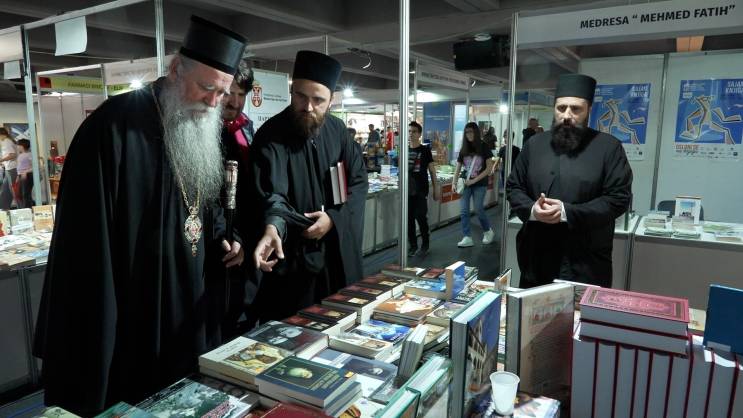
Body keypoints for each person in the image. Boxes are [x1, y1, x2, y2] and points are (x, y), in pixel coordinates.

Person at [33, 16, 247, 415]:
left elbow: (202, 207)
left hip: (187, 303)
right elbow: (86, 247)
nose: (213, 103)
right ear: (175, 69)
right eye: (206, 88)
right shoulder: (112, 128)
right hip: (134, 312)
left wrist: (224, 235)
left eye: (222, 93)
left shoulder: (201, 125)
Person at [251, 50, 368, 322]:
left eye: (318, 100)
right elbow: (272, 195)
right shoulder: (271, 136)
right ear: (292, 91)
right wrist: (273, 226)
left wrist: (334, 219)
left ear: (331, 101)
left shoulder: (338, 132)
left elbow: (358, 181)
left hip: (336, 255)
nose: (308, 107)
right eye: (301, 96)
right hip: (293, 264)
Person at [506, 73, 632, 289]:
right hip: (537, 258)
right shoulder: (534, 145)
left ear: (589, 110)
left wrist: (566, 212)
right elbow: (514, 187)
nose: (567, 115)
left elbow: (618, 198)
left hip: (585, 261)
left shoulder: (609, 147)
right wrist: (533, 210)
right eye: (561, 108)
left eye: (576, 109)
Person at [219, 60, 260, 338]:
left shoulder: (247, 128)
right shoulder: (204, 128)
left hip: (246, 231)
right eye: (229, 93)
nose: (235, 101)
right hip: (219, 234)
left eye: (241, 94)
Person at [453, 122, 495, 248]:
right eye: (466, 132)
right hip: (465, 183)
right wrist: (454, 182)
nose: (469, 134)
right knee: (464, 211)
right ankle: (467, 237)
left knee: (478, 209)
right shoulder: (464, 148)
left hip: (480, 184)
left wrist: (474, 180)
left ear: (476, 132)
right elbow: (458, 167)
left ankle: (488, 231)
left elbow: (489, 168)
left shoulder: (484, 147)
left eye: (471, 131)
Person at [407, 121, 439, 257]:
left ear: (419, 134)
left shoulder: (425, 150)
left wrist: (436, 187)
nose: (411, 134)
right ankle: (413, 245)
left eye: (414, 131)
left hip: (421, 190)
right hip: (407, 190)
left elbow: (432, 170)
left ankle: (425, 243)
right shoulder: (404, 150)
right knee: (408, 219)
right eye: (409, 131)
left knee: (421, 216)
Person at [0, 127, 18, 210]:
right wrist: (3, 162)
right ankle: (3, 209)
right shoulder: (7, 141)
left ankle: (21, 208)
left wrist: (1, 160)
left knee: (13, 190)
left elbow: (12, 155)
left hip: (12, 168)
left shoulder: (6, 141)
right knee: (5, 190)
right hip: (9, 168)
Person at [16, 138, 33, 208]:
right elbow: (19, 167)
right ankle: (26, 208)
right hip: (21, 176)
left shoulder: (29, 154)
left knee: (25, 194)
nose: (17, 147)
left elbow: (35, 166)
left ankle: (28, 209)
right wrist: (18, 176)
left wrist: (26, 172)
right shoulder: (20, 155)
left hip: (27, 176)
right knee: (20, 194)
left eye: (18, 145)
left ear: (22, 146)